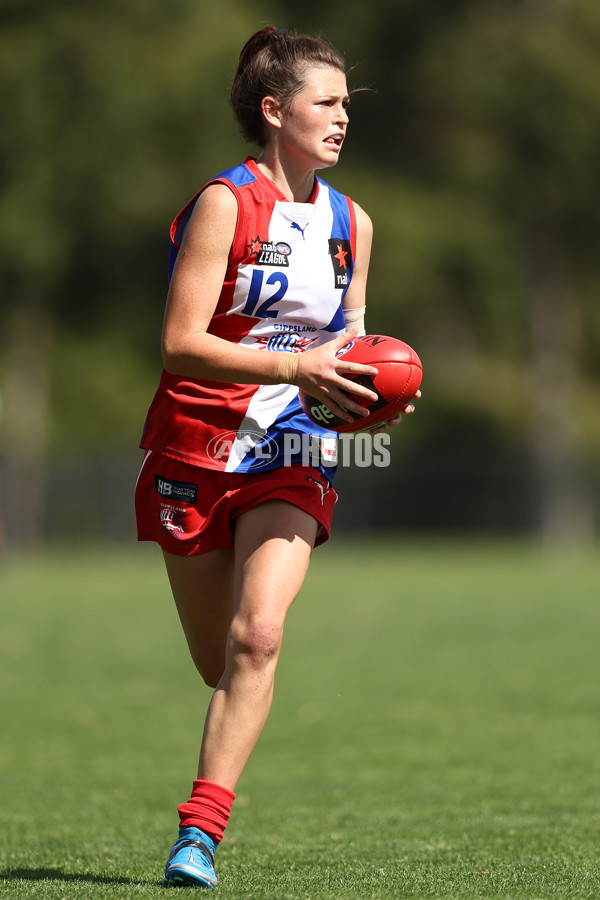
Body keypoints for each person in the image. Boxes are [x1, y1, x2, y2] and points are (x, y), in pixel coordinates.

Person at [135, 25, 418, 889]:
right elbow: (181, 343)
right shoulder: (226, 202)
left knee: (258, 636)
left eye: (345, 105)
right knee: (218, 660)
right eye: (325, 103)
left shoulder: (352, 222)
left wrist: (369, 392)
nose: (341, 119)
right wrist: (298, 362)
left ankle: (200, 832)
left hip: (294, 442)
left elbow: (351, 341)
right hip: (196, 441)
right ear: (273, 110)